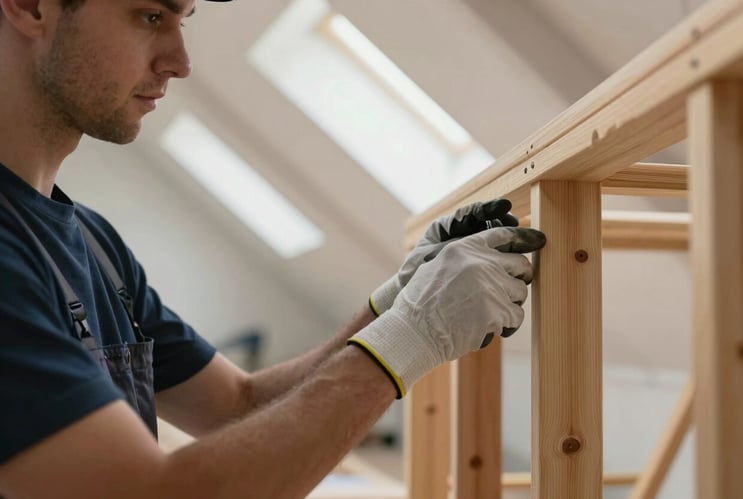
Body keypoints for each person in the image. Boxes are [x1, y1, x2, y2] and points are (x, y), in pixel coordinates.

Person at [0, 0, 546, 497]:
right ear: (30, 7)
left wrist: (396, 303)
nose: (181, 61)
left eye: (182, 21)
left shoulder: (94, 244)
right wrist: (412, 336)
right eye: (149, 15)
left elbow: (238, 406)